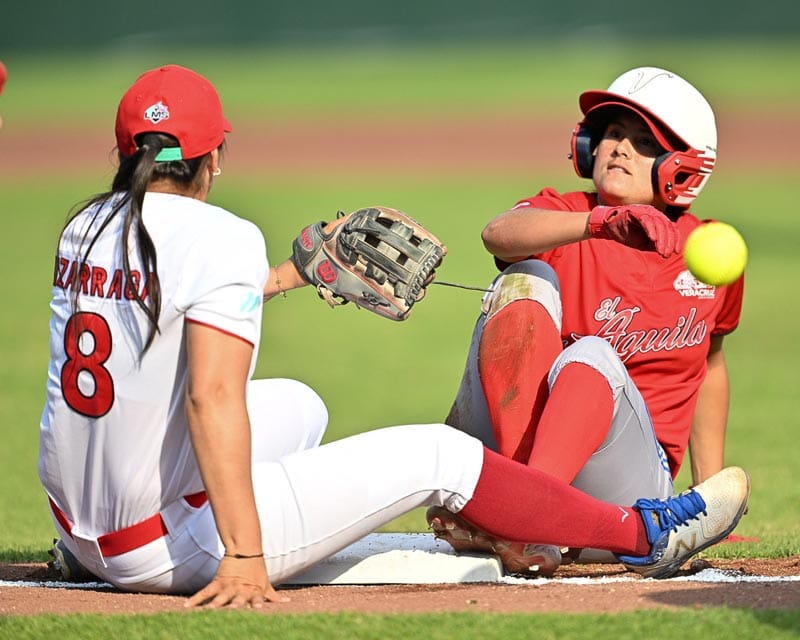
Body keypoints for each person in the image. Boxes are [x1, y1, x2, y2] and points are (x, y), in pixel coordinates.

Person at [39, 64, 749, 609]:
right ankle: (644, 535)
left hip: (87, 528)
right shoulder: (223, 235)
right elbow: (210, 399)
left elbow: (170, 299)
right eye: (612, 135)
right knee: (439, 453)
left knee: (300, 404)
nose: (618, 148)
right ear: (214, 157)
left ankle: (90, 548)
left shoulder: (89, 225)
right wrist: (245, 557)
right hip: (162, 551)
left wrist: (293, 274)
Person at [434, 66, 745, 573]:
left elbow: (710, 365)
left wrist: (708, 491)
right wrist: (598, 224)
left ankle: (514, 519)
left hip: (627, 489)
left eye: (643, 141)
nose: (619, 147)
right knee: (525, 274)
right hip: (525, 447)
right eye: (612, 134)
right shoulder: (567, 215)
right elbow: (499, 233)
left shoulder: (709, 252)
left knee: (591, 354)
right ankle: (518, 511)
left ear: (682, 168)